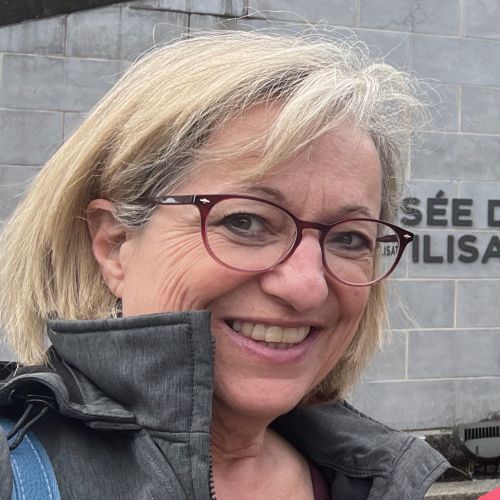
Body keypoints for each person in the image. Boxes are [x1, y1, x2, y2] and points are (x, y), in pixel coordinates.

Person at [0, 31, 448, 499]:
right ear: (115, 245)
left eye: (349, 238)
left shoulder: (373, 479)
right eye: (245, 222)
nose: (307, 286)